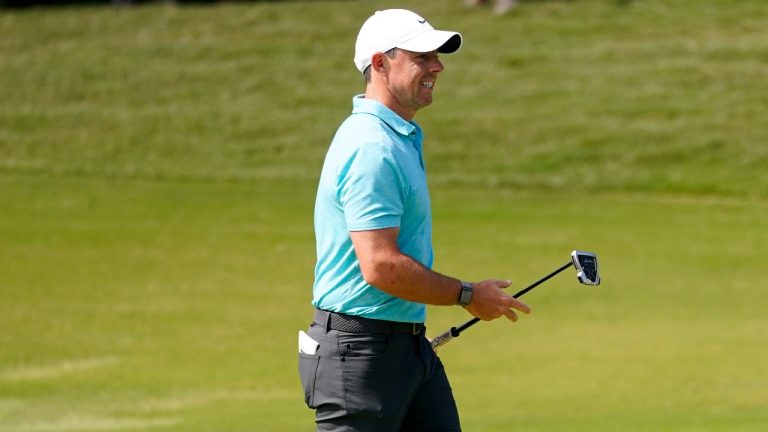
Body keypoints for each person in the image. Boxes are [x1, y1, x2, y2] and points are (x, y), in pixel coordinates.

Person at [298, 9, 531, 431]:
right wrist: (467, 295)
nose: (437, 65)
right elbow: (380, 265)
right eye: (421, 56)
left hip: (405, 347)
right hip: (360, 356)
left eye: (436, 56)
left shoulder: (396, 138)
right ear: (380, 63)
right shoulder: (372, 147)